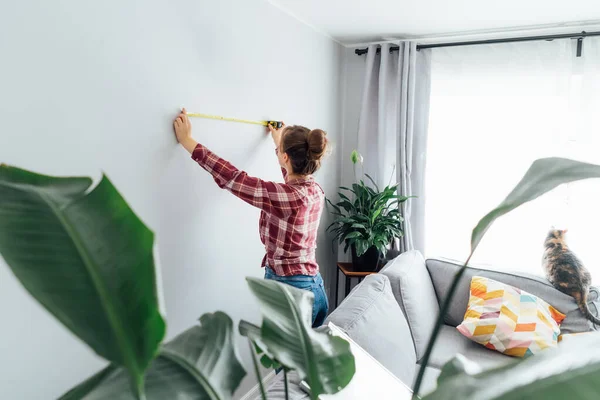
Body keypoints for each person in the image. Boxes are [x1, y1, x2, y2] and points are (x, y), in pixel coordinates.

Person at [173, 109, 330, 327]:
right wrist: (279, 142)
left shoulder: (290, 197)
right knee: (308, 359)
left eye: (282, 152)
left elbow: (234, 179)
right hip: (313, 287)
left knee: (285, 361)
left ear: (286, 157)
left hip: (292, 293)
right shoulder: (312, 189)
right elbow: (292, 177)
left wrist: (188, 141)